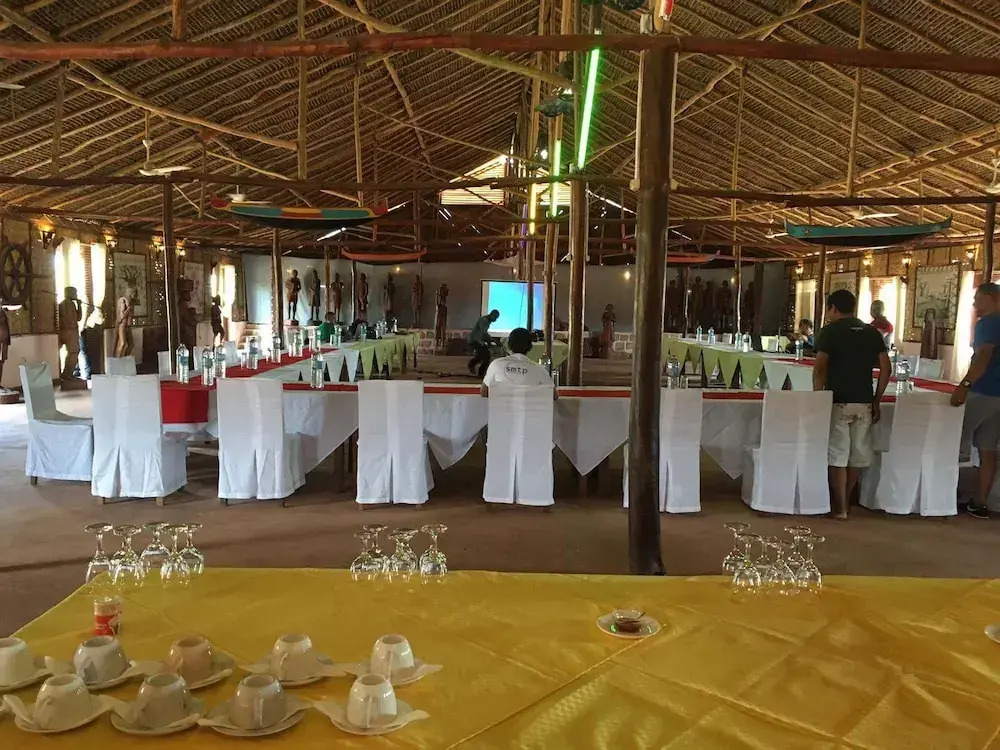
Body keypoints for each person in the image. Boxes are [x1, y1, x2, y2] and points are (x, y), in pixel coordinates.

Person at [813, 290, 891, 519]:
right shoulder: (871, 332)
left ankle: (839, 508)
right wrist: (877, 399)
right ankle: (846, 500)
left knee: (837, 454)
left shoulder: (830, 331)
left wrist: (817, 397)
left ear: (833, 308)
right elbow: (886, 368)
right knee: (857, 454)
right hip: (864, 401)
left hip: (838, 401)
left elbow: (820, 367)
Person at [951, 283, 1000, 519]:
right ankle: (981, 502)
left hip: (983, 390)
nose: (974, 304)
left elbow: (983, 356)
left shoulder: (988, 323)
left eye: (977, 298)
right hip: (998, 396)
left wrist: (964, 385)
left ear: (990, 298)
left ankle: (946, 494)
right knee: (988, 449)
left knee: (954, 442)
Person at [481, 327, 556, 398]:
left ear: (509, 345)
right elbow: (554, 395)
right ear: (530, 347)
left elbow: (484, 392)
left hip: (501, 407)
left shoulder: (496, 364)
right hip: (528, 407)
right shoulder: (538, 369)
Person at [468, 309, 499, 378]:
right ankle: (480, 373)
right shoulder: (484, 320)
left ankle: (473, 366)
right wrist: (493, 340)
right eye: (495, 318)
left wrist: (489, 342)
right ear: (492, 315)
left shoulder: (487, 320)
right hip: (475, 340)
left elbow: (483, 334)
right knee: (486, 356)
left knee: (480, 356)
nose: (495, 320)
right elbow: (483, 333)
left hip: (477, 340)